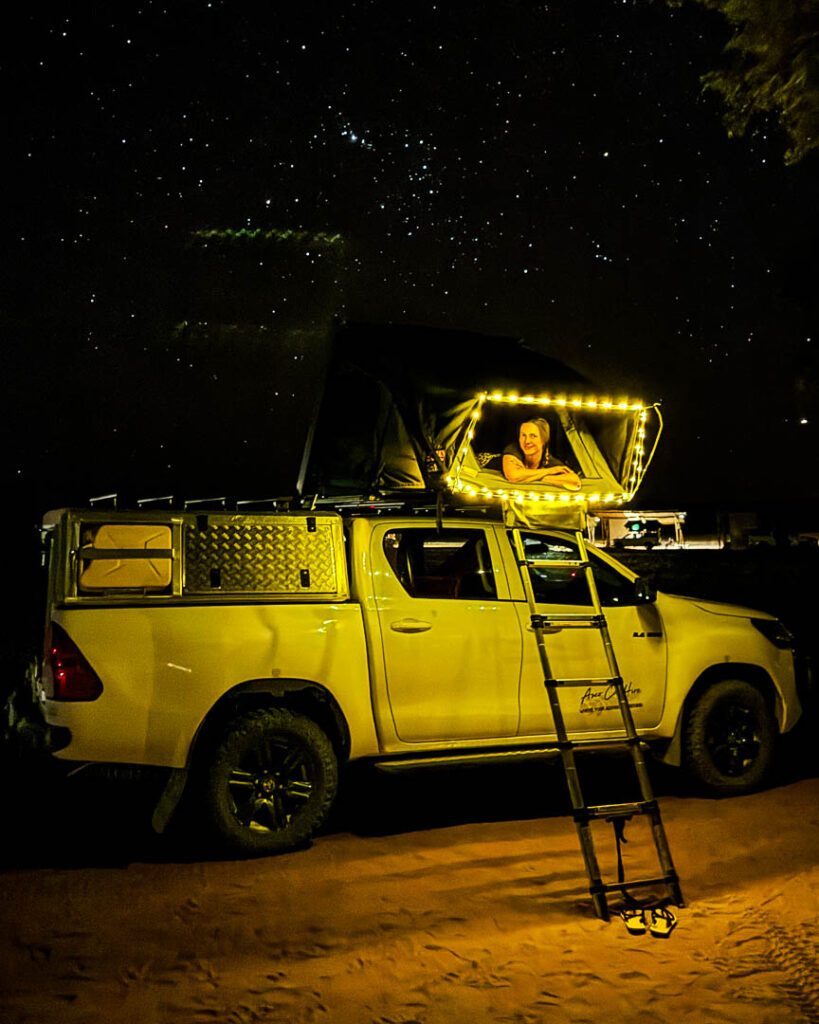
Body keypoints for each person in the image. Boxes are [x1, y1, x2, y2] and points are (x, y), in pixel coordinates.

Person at [502, 418, 582, 490]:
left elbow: (575, 481)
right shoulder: (513, 450)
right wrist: (550, 471)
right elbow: (514, 476)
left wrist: (538, 477)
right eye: (523, 435)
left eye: (533, 436)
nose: (527, 441)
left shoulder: (547, 459)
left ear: (543, 440)